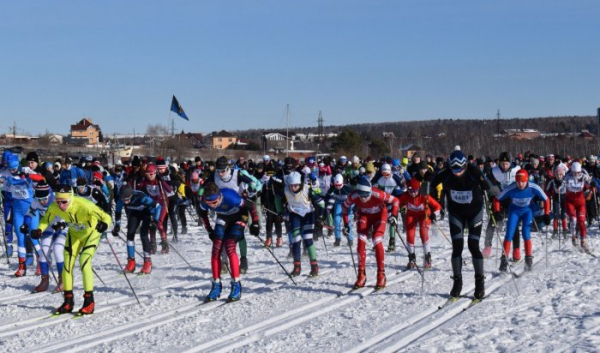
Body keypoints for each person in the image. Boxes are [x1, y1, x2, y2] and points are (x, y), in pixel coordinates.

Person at [31, 184, 111, 315]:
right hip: (74, 235)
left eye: (64, 202)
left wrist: (105, 224)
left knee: (84, 262)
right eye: (58, 201)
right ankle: (68, 302)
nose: (61, 205)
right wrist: (39, 230)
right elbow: (46, 219)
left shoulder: (84, 205)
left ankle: (89, 301)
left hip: (91, 233)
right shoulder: (54, 206)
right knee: (67, 266)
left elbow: (105, 216)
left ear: (71, 198)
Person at [430, 150, 489, 300]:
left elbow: (487, 186)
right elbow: (431, 184)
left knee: (473, 245)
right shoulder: (447, 173)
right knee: (457, 246)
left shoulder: (473, 171)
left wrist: (486, 188)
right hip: (456, 213)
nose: (457, 173)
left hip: (474, 212)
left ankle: (480, 283)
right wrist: (431, 203)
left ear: (465, 166)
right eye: (454, 169)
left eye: (460, 169)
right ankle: (457, 283)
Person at [198, 182, 260, 302]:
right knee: (216, 248)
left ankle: (236, 284)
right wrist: (209, 230)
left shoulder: (231, 198)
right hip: (223, 217)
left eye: (215, 203)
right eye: (209, 204)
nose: (213, 206)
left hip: (239, 216)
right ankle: (216, 285)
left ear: (220, 197)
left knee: (230, 245)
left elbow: (251, 206)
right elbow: (202, 214)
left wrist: (255, 223)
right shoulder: (205, 202)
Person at [342, 176, 399, 290]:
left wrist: (393, 215)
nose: (363, 198)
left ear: (370, 191)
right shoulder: (354, 196)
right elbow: (344, 207)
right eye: (361, 195)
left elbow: (395, 201)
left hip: (379, 215)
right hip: (364, 215)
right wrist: (346, 224)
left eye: (366, 195)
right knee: (361, 241)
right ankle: (361, 274)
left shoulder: (377, 194)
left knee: (376, 240)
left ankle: (381, 274)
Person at [494, 169, 550, 271]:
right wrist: (497, 212)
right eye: (518, 181)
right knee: (509, 234)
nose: (520, 184)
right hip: (514, 211)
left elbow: (546, 199)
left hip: (527, 211)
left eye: (523, 181)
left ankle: (528, 260)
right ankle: (503, 261)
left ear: (527, 180)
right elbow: (497, 199)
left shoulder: (533, 187)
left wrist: (546, 214)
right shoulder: (511, 188)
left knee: (525, 232)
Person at [21, 181, 67, 292]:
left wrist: (62, 224)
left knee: (57, 250)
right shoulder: (36, 201)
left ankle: (62, 280)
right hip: (48, 227)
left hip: (62, 226)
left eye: (44, 199)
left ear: (49, 195)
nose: (42, 202)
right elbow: (29, 213)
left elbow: (69, 214)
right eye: (40, 199)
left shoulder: (57, 199)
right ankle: (44, 280)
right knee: (43, 253)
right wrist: (25, 224)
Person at [282, 171, 325, 277]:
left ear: (300, 184)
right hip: (295, 215)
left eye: (296, 185)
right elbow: (279, 201)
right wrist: (281, 212)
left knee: (307, 239)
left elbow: (321, 203)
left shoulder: (307, 189)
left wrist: (320, 217)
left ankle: (314, 266)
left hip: (308, 215)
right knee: (296, 240)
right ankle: (297, 267)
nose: (293, 188)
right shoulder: (286, 190)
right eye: (291, 185)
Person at [113, 184, 163, 274]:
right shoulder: (121, 200)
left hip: (146, 212)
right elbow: (118, 212)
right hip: (134, 212)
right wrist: (117, 226)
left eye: (128, 199)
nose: (126, 201)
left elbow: (158, 206)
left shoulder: (141, 197)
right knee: (130, 234)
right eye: (124, 200)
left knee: (143, 235)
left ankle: (147, 262)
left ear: (131, 195)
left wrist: (155, 221)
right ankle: (131, 262)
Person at [483, 152, 521, 259]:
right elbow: (488, 183)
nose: (504, 166)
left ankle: (516, 250)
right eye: (502, 163)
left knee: (514, 225)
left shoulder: (517, 169)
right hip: (498, 199)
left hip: (512, 200)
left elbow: (523, 181)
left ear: (510, 162)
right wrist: (490, 192)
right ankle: (487, 247)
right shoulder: (494, 171)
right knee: (492, 222)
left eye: (506, 164)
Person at [396, 178, 441, 269]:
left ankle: (427, 257)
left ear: (419, 190)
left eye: (415, 191)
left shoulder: (424, 196)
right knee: (410, 234)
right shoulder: (405, 195)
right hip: (411, 215)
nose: (412, 193)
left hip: (424, 215)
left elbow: (437, 206)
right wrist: (401, 206)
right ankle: (411, 258)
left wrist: (434, 215)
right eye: (410, 191)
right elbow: (396, 203)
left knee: (423, 232)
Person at [564, 162, 593, 250]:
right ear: (572, 171)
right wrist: (559, 184)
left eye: (578, 172)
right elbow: (562, 184)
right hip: (570, 201)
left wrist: (592, 184)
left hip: (580, 201)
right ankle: (573, 237)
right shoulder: (568, 177)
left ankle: (583, 241)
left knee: (581, 220)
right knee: (573, 219)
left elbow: (590, 181)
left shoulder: (583, 176)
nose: (576, 174)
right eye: (574, 172)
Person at [325, 174, 354, 247]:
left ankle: (350, 239)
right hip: (338, 203)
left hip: (347, 204)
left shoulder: (347, 188)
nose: (337, 187)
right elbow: (328, 197)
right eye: (336, 185)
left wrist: (353, 207)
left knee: (348, 221)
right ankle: (337, 239)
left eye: (339, 185)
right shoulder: (332, 188)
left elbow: (354, 197)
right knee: (336, 220)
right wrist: (328, 207)